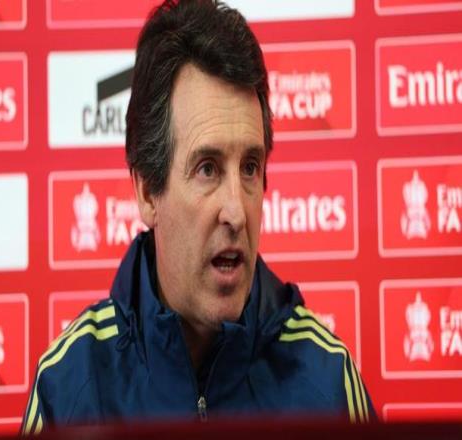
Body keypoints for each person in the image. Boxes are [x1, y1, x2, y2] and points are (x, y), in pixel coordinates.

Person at [21, 0, 374, 434]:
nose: (236, 212)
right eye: (207, 168)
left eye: (250, 167)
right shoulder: (69, 385)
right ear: (147, 191)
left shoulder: (328, 380)